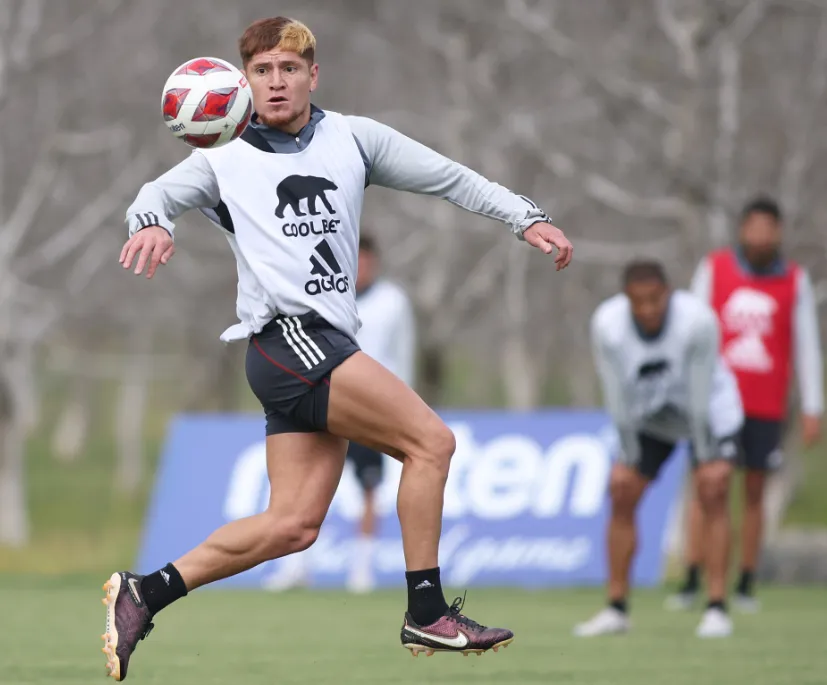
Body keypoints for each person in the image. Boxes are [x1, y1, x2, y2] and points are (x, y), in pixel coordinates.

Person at [100, 16, 573, 681]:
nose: (275, 82)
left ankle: (144, 592)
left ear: (311, 75)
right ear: (244, 81)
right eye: (261, 71)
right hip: (289, 341)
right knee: (431, 443)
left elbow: (450, 177)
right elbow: (155, 196)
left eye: (288, 69)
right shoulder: (222, 154)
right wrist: (150, 224)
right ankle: (427, 609)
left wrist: (524, 216)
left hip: (313, 348)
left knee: (292, 525)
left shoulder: (352, 137)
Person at [669, 196, 823, 612]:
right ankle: (692, 578)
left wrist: (813, 405)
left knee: (754, 492)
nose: (759, 235)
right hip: (714, 403)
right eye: (752, 226)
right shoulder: (714, 268)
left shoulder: (794, 280)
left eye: (767, 228)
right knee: (706, 487)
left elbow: (806, 345)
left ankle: (746, 582)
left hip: (765, 403)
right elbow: (688, 332)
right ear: (742, 230)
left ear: (778, 232)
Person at [575, 261, 743, 639]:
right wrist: (628, 454)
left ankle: (717, 607)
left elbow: (700, 403)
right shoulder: (608, 325)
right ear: (626, 300)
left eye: (654, 300)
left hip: (708, 412)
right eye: (639, 302)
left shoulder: (696, 321)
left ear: (668, 294)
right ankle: (616, 608)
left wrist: (706, 459)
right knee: (621, 489)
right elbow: (616, 396)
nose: (648, 310)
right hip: (652, 417)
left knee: (713, 488)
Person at [262, 233, 417, 594]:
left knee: (368, 487)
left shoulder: (393, 301)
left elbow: (403, 354)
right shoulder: (325, 295)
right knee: (307, 486)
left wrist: (403, 402)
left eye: (365, 260)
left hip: (372, 406)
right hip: (325, 398)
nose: (359, 267)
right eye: (354, 260)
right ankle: (296, 566)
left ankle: (361, 569)